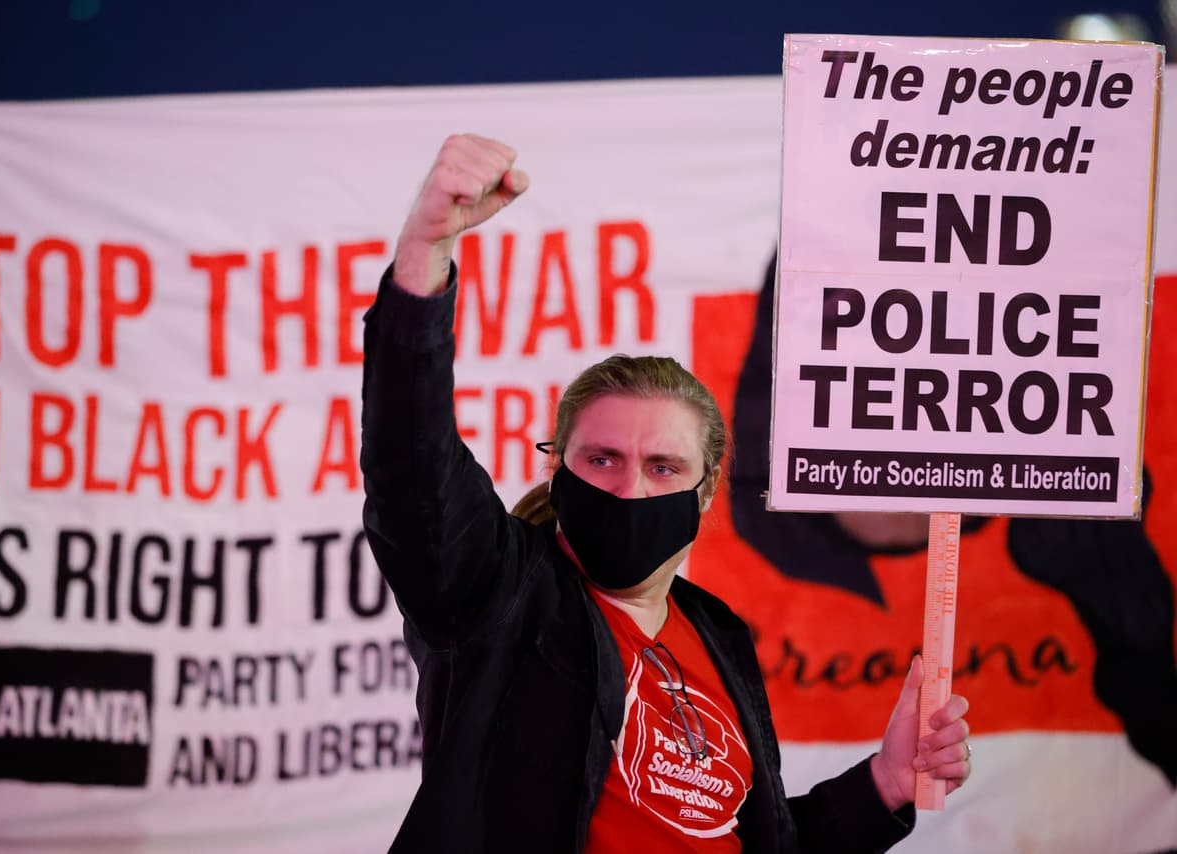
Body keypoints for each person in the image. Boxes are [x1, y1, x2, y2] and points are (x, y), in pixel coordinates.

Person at [360, 133, 972, 853]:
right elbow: (412, 467)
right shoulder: (498, 593)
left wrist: (885, 786)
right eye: (602, 458)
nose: (627, 486)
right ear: (557, 469)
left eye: (661, 467)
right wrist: (424, 255)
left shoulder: (718, 637)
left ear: (706, 490)